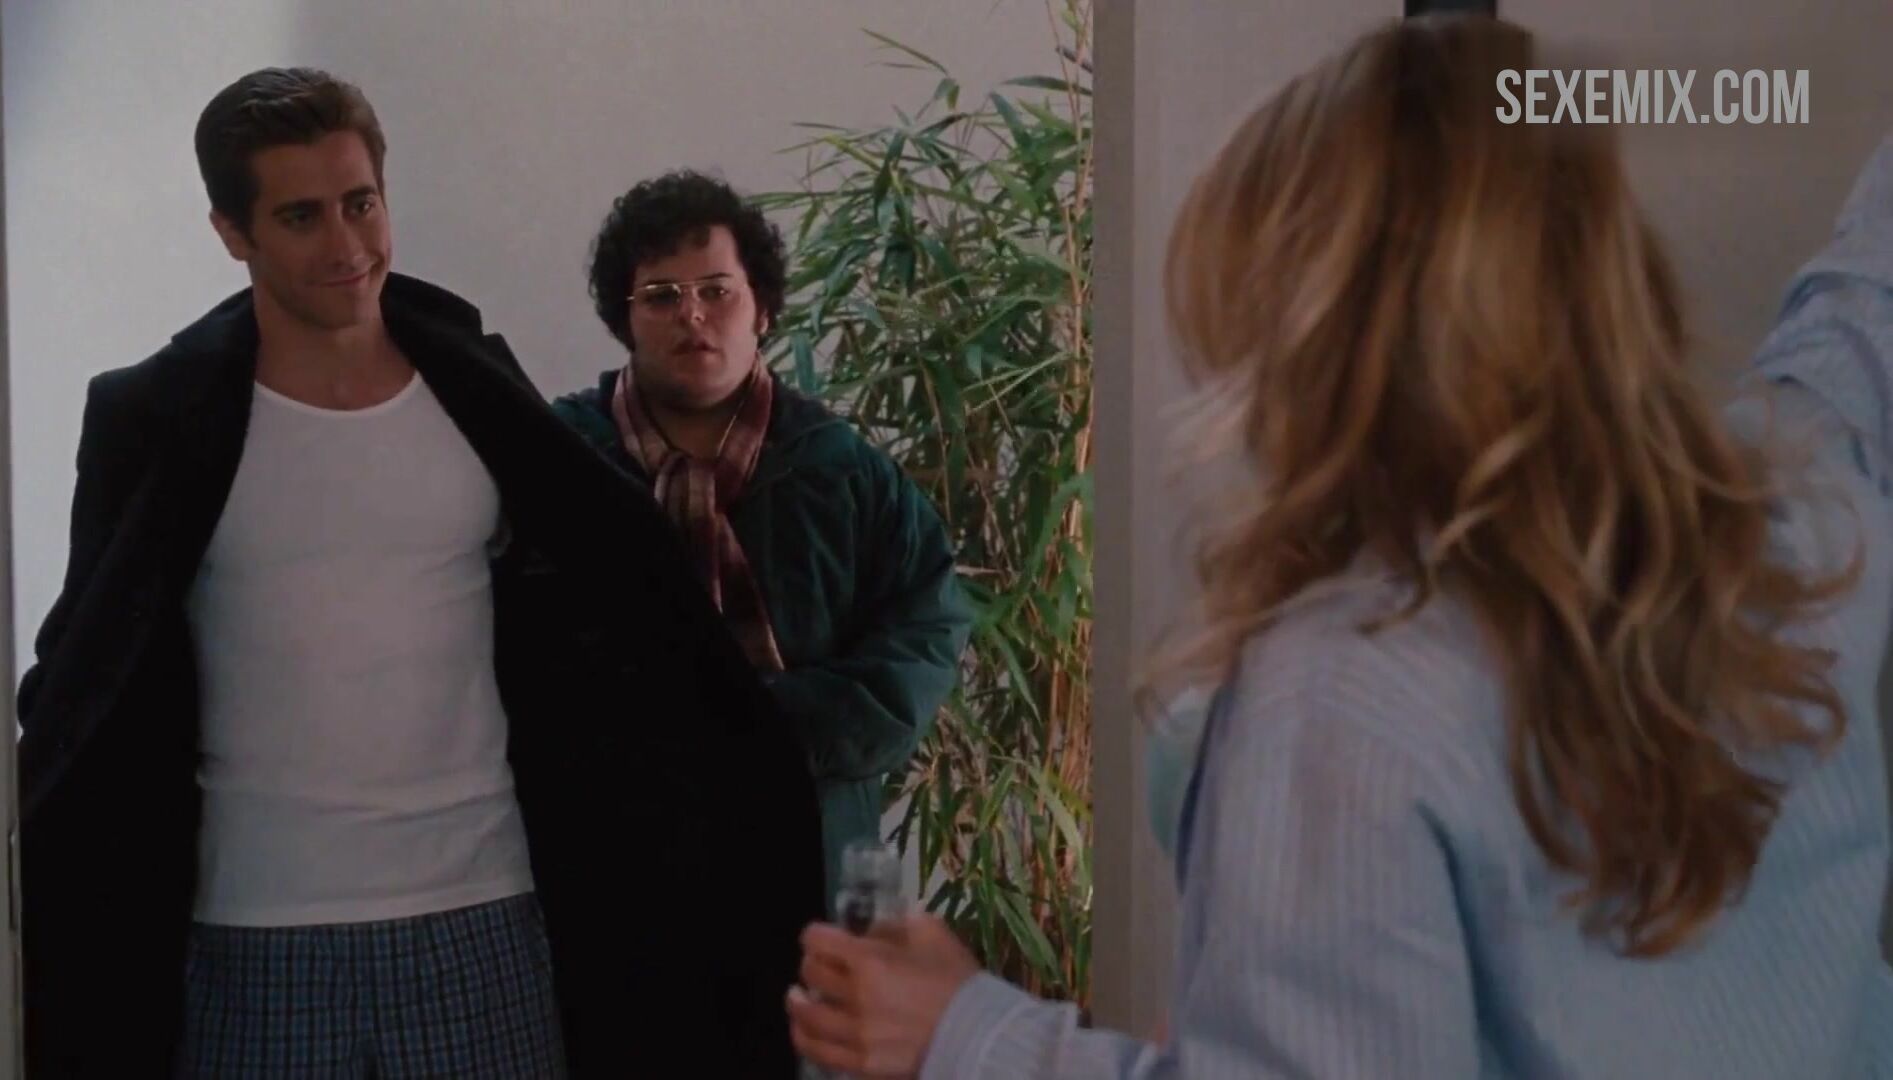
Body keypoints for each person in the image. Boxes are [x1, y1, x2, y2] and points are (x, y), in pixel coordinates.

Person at [786, 16, 1893, 1079]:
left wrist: (965, 1033)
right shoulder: (1795, 522)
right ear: (1603, 272)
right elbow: (1862, 311)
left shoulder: (1348, 688)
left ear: (1315, 326)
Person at [17, 67, 825, 1078]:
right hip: (253, 936)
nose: (347, 246)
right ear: (232, 231)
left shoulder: (477, 392)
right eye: (302, 216)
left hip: (481, 921)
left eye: (361, 203)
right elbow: (89, 667)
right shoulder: (156, 419)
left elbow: (618, 621)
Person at [550, 170, 972, 900]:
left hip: (811, 847)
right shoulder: (561, 461)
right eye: (661, 296)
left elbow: (924, 637)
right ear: (625, 319)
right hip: (615, 858)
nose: (691, 314)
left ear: (763, 309)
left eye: (716, 290)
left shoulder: (841, 470)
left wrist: (765, 726)